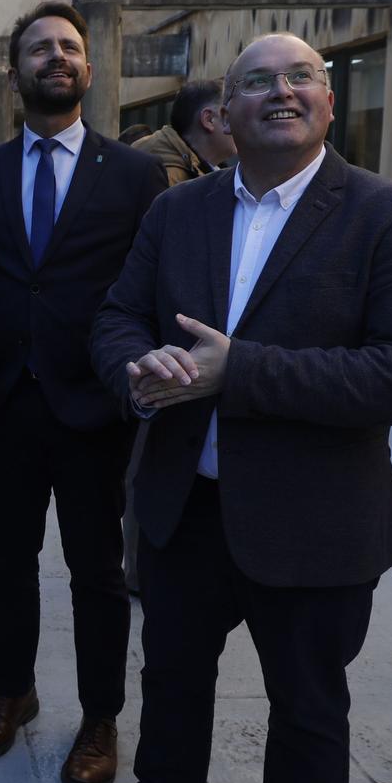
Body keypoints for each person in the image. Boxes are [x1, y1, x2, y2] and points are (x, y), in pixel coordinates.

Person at [81, 33, 392, 783]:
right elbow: (116, 315)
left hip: (316, 521)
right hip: (184, 505)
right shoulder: (181, 214)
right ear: (223, 113)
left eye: (301, 79)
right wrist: (139, 365)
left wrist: (236, 371)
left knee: (308, 707)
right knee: (171, 674)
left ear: (330, 105)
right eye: (258, 82)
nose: (281, 92)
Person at [0, 2, 164, 783]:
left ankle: (101, 715)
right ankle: (14, 689)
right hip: (6, 407)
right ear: (17, 74)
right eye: (40, 48)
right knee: (8, 563)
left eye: (70, 46)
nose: (57, 56)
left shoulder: (137, 174)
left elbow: (151, 286)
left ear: (89, 69)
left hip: (93, 408)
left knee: (97, 571)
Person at [122, 77, 235, 594]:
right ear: (212, 119)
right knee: (150, 469)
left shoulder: (196, 169)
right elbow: (148, 286)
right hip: (170, 358)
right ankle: (140, 569)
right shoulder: (167, 177)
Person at [135, 78, 235, 185]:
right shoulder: (167, 178)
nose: (239, 123)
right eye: (227, 116)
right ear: (209, 119)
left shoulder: (189, 170)